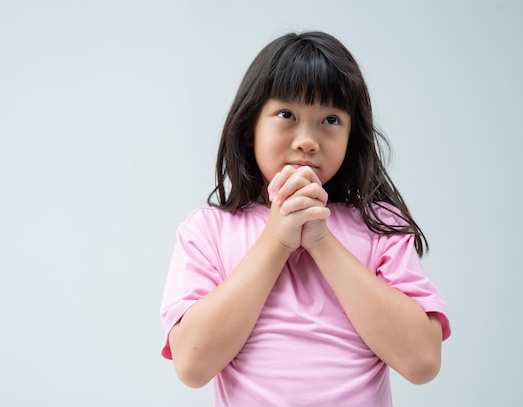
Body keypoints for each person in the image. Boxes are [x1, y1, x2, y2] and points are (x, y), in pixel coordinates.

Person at [159, 31, 450, 407]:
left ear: (351, 137)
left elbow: (422, 362)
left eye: (330, 119)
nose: (307, 140)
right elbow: (193, 365)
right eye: (286, 115)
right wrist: (278, 239)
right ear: (249, 129)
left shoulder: (378, 226)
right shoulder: (207, 231)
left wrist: (321, 240)